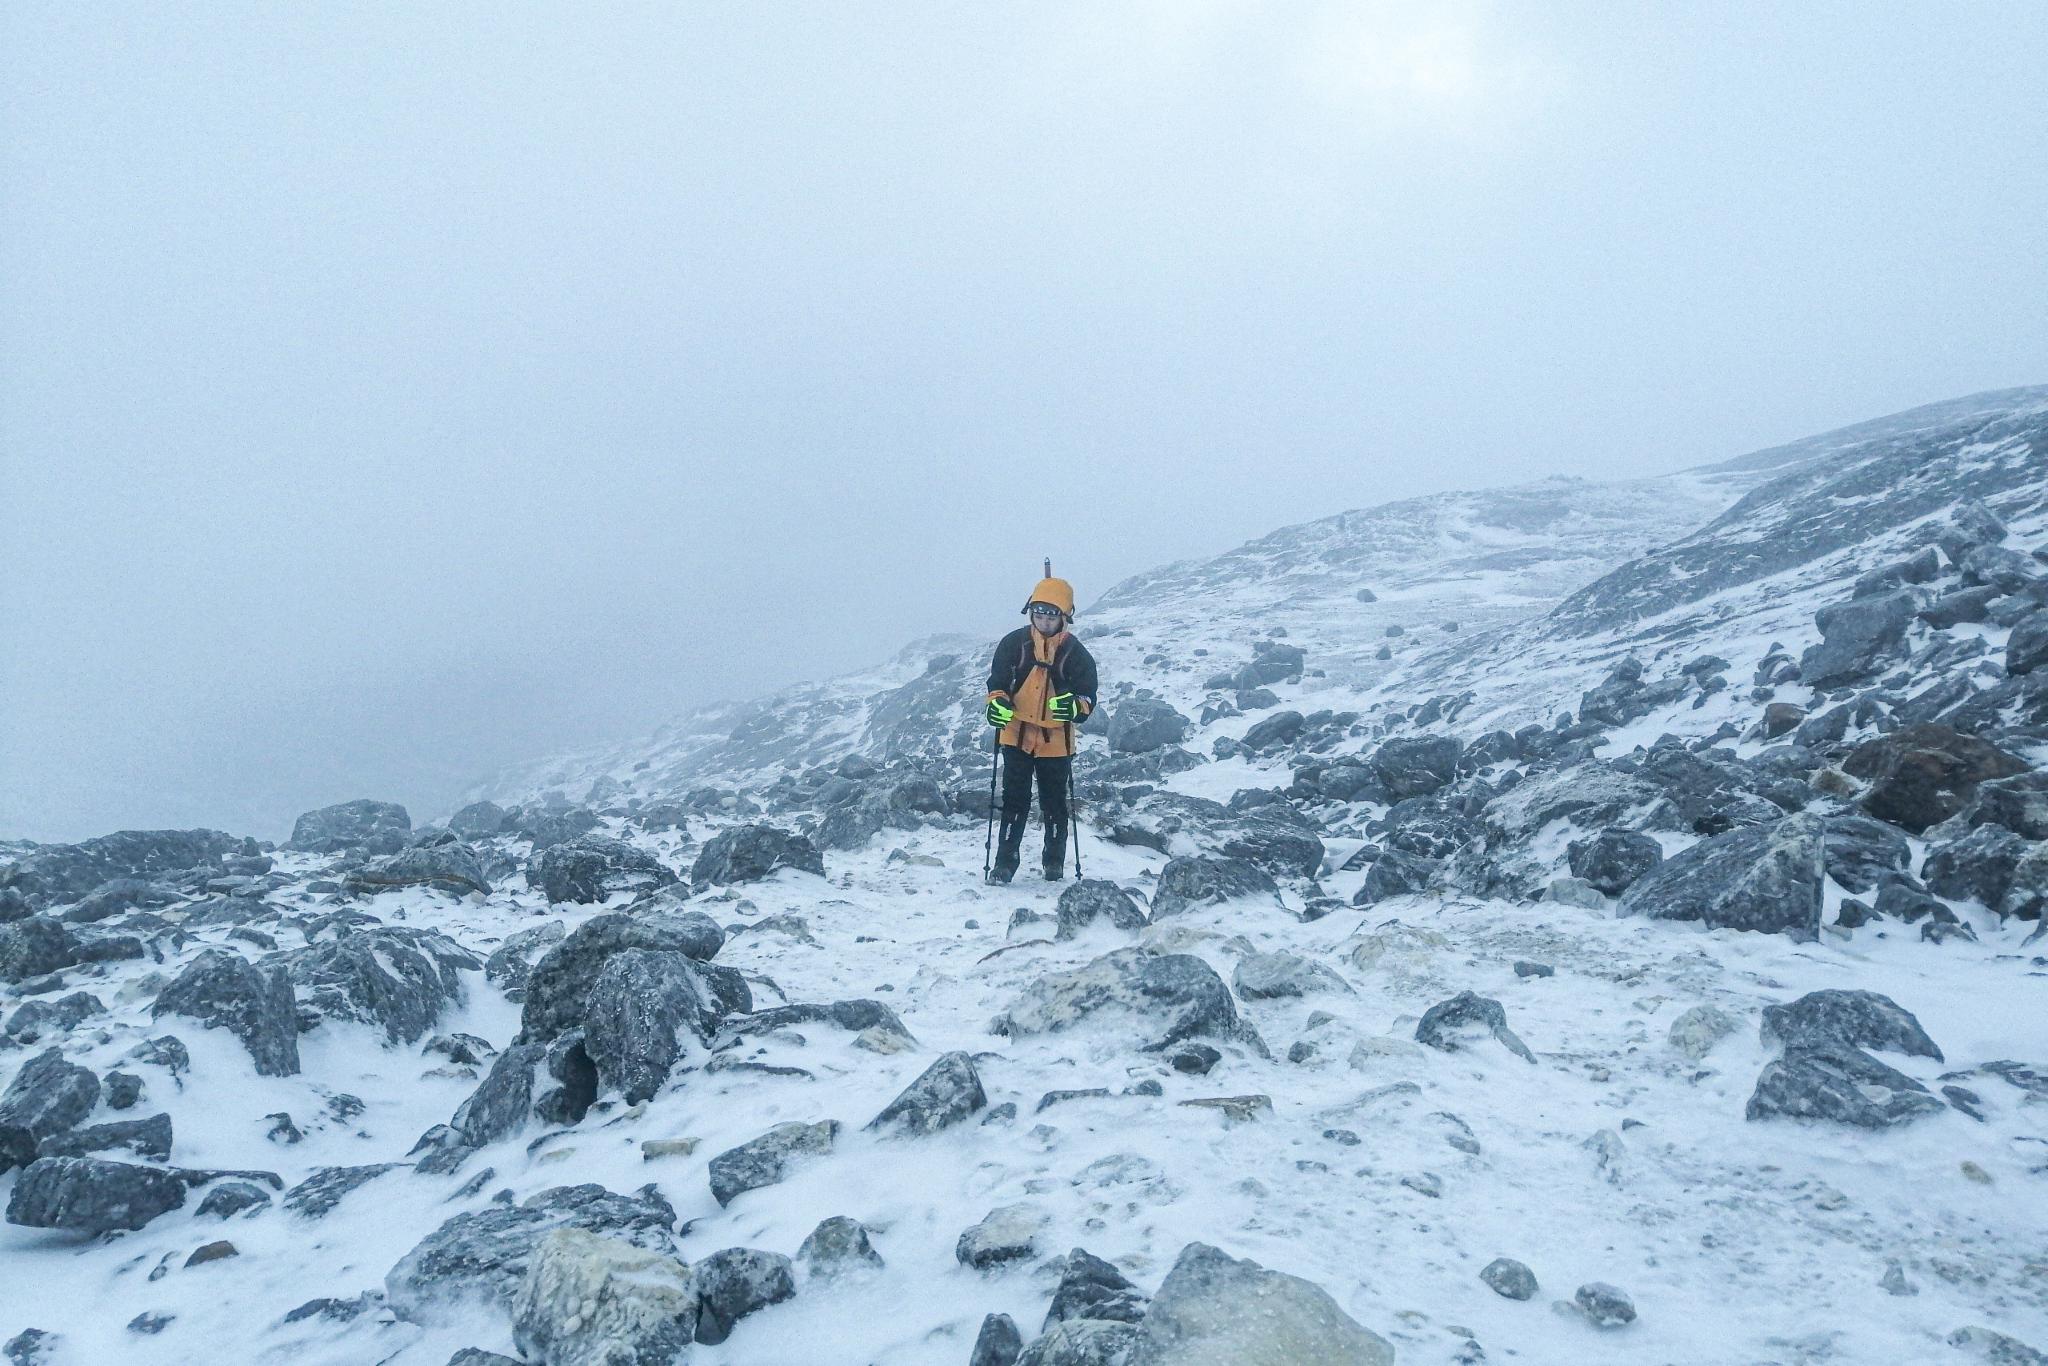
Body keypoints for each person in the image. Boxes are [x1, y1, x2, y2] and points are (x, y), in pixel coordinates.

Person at [983, 568, 1100, 883]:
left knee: (1054, 803)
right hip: (1016, 734)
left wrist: (1075, 706)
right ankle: (1004, 864)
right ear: (1030, 611)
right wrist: (996, 704)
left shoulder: (1076, 653)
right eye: (1039, 614)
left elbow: (1088, 696)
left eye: (1051, 615)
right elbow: (997, 684)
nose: (1044, 621)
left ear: (1065, 616)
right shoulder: (1013, 644)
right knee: (1014, 800)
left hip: (1056, 740)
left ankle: (1054, 863)